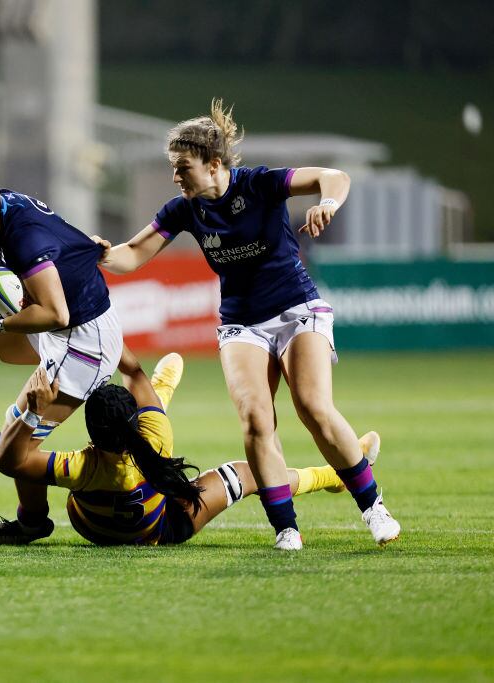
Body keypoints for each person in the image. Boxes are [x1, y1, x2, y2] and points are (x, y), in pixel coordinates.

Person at [94, 99, 400, 550]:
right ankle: (286, 529)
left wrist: (328, 202)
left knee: (313, 407)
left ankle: (372, 507)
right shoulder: (184, 210)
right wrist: (93, 251)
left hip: (297, 309)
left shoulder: (260, 184)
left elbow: (334, 176)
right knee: (256, 420)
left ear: (214, 164)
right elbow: (131, 255)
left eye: (183, 167)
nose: (176, 177)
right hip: (242, 323)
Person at [0, 147, 123, 544]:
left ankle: (40, 514)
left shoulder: (24, 241)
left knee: (12, 455)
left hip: (80, 343)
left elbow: (56, 313)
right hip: (56, 327)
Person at [0, 353, 382, 546]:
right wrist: (110, 344)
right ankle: (334, 476)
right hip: (164, 528)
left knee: (25, 452)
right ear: (137, 423)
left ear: (90, 432)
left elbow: (11, 460)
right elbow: (134, 372)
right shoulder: (156, 435)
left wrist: (33, 414)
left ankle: (29, 523)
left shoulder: (79, 466)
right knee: (252, 472)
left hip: (96, 531)